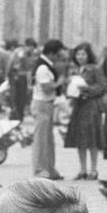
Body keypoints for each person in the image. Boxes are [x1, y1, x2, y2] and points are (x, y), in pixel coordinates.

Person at [63, 42, 106, 181]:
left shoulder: (94, 69)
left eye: (83, 54)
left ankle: (93, 170)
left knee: (92, 138)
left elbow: (102, 86)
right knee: (80, 139)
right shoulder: (74, 70)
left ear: (89, 55)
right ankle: (82, 169)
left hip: (91, 106)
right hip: (78, 106)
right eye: (78, 54)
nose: (80, 57)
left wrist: (87, 89)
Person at [31, 38, 65, 180]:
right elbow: (46, 87)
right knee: (41, 139)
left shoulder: (47, 65)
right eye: (58, 55)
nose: (59, 58)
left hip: (48, 104)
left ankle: (50, 168)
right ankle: (40, 169)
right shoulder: (43, 67)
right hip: (42, 104)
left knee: (49, 139)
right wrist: (59, 83)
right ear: (51, 53)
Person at [7, 37, 37, 121]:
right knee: (15, 98)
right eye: (31, 47)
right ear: (27, 46)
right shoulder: (19, 53)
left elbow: (30, 67)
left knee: (22, 99)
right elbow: (11, 65)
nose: (32, 50)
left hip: (23, 78)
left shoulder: (30, 55)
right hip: (15, 78)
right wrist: (8, 77)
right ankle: (14, 117)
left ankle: (19, 117)